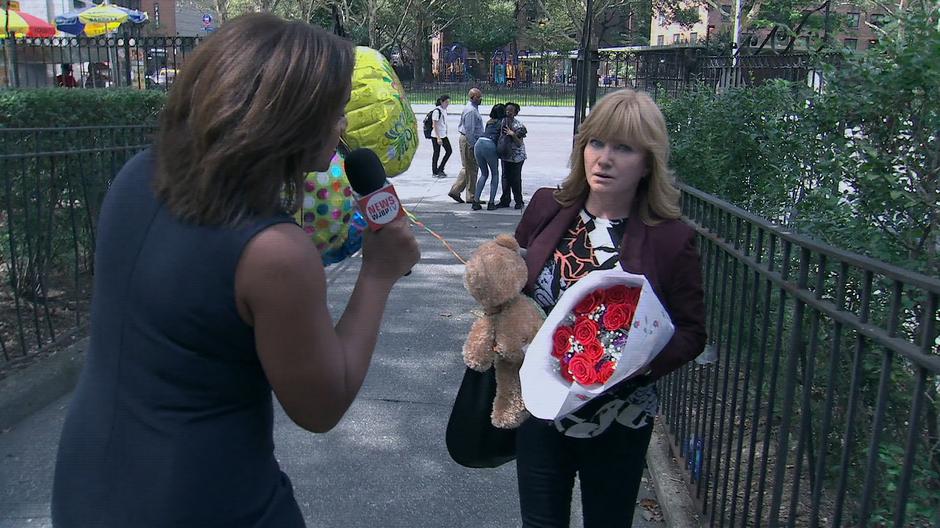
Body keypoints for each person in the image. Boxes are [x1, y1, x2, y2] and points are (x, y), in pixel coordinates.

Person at [51, 14, 420, 527]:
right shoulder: (274, 252)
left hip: (89, 484)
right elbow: (320, 406)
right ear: (288, 118)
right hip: (206, 498)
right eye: (334, 113)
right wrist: (378, 274)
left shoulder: (140, 173)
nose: (341, 129)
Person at [513, 89, 706, 527]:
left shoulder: (671, 239)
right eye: (596, 143)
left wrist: (634, 366)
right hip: (541, 412)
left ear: (647, 163)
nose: (604, 158)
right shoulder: (547, 206)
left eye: (623, 148)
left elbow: (692, 332)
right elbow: (513, 284)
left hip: (619, 419)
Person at [449, 87, 483, 204]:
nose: (480, 99)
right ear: (472, 97)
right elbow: (469, 130)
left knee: (468, 167)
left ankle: (456, 190)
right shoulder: (471, 111)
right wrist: (473, 145)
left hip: (468, 139)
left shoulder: (472, 109)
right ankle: (471, 196)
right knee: (472, 168)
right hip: (469, 140)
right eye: (478, 97)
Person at [471, 103, 506, 210]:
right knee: (495, 174)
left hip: (479, 143)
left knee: (484, 174)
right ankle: (491, 203)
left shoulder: (489, 122)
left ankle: (475, 201)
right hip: (490, 145)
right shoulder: (502, 123)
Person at [497, 102, 527, 210]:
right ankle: (505, 200)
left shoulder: (518, 125)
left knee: (515, 179)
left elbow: (519, 143)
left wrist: (512, 134)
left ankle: (519, 201)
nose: (508, 112)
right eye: (507, 110)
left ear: (515, 113)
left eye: (511, 111)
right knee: (505, 178)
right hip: (506, 155)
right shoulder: (502, 122)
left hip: (517, 156)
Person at [430, 94, 452, 178]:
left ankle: (441, 168)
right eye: (446, 102)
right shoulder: (437, 111)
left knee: (449, 151)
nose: (447, 104)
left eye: (448, 102)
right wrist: (438, 137)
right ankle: (435, 171)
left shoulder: (444, 110)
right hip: (436, 136)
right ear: (441, 102)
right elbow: (434, 125)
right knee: (436, 153)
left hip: (443, 134)